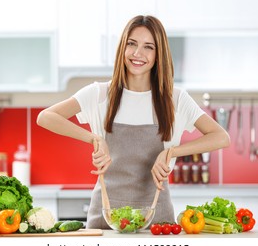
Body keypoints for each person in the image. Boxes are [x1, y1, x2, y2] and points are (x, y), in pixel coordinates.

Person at [37, 15, 230, 229]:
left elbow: (221, 137)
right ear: (123, 47)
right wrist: (93, 138)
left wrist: (171, 152)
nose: (138, 54)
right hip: (105, 220)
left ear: (159, 55)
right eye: (132, 44)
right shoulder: (100, 94)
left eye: (148, 47)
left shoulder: (175, 99)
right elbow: (46, 117)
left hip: (157, 222)